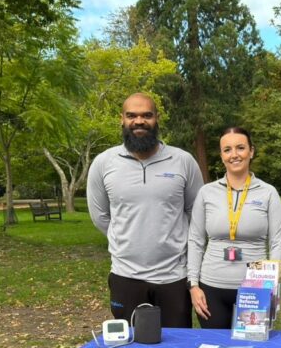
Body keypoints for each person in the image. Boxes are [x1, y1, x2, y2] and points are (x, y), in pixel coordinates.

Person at [86, 93, 204, 327]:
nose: (139, 121)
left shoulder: (183, 161)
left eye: (146, 115)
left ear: (157, 119)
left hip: (173, 277)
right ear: (122, 119)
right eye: (132, 115)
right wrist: (127, 241)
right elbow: (100, 216)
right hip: (125, 276)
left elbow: (197, 215)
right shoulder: (103, 163)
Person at [188, 127, 281, 329]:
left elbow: (277, 241)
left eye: (240, 148)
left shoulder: (268, 193)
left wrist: (273, 284)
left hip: (256, 288)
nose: (234, 155)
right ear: (222, 155)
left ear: (251, 151)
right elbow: (196, 240)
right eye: (227, 149)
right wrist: (193, 285)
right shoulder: (207, 192)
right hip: (211, 287)